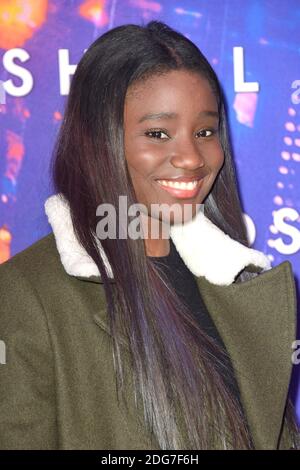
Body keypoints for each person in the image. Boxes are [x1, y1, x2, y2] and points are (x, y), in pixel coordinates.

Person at [0, 20, 299, 450]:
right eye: (158, 134)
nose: (192, 158)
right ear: (98, 140)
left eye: (205, 131)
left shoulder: (237, 281)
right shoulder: (26, 295)